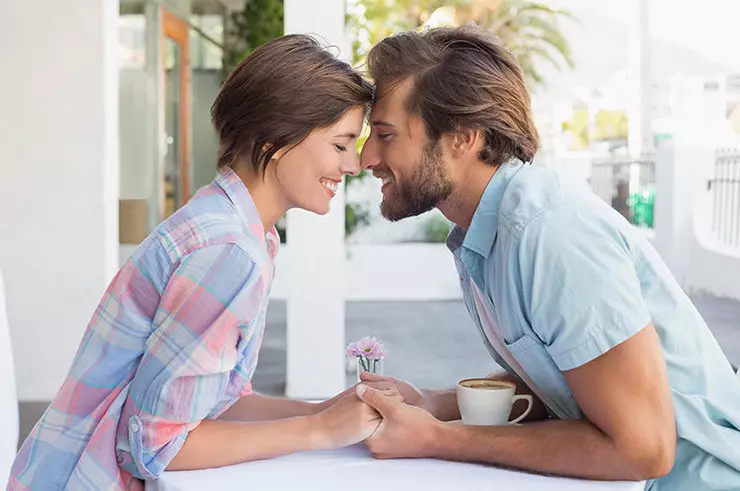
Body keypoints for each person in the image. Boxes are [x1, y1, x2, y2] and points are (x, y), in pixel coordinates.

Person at [355, 24, 740, 490]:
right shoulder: (488, 231)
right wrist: (435, 404)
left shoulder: (548, 233)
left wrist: (439, 437)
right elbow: (565, 376)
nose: (365, 157)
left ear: (462, 137)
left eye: (385, 134)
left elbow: (644, 450)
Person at [9, 34, 388, 490]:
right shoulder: (227, 250)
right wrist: (319, 431)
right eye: (341, 143)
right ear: (276, 138)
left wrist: (323, 410)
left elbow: (217, 401)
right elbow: (156, 447)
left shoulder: (245, 232)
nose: (352, 165)